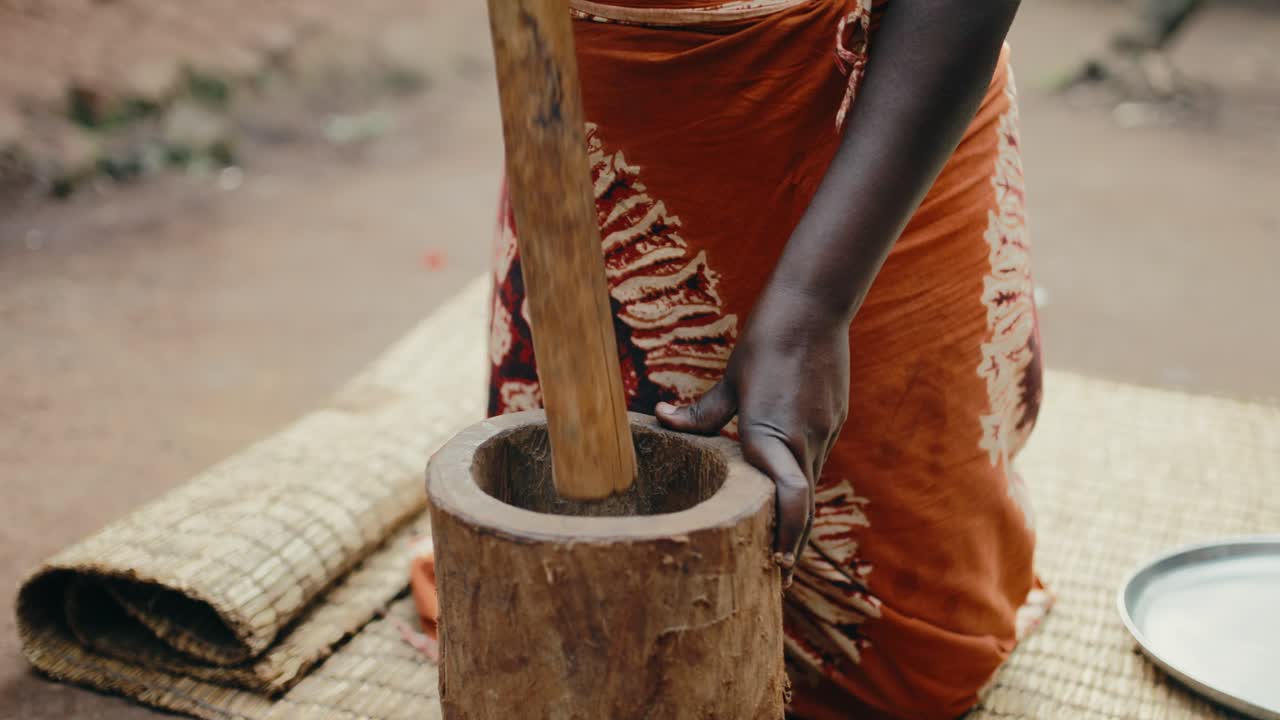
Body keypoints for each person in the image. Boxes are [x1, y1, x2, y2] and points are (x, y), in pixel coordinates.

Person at [414, 0, 1051, 716]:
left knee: (901, 664)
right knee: (555, 601)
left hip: (875, 134)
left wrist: (814, 306)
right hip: (588, 116)